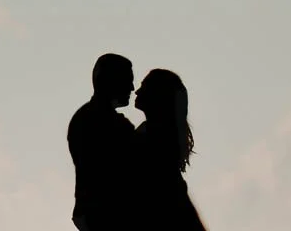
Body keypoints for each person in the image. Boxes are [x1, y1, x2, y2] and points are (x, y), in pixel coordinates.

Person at [68, 53, 137, 231]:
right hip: (107, 215)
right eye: (127, 80)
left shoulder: (86, 117)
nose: (132, 87)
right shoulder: (107, 123)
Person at [132, 69, 208, 230]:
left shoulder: (152, 136)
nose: (137, 91)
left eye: (144, 86)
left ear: (157, 95)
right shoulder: (161, 135)